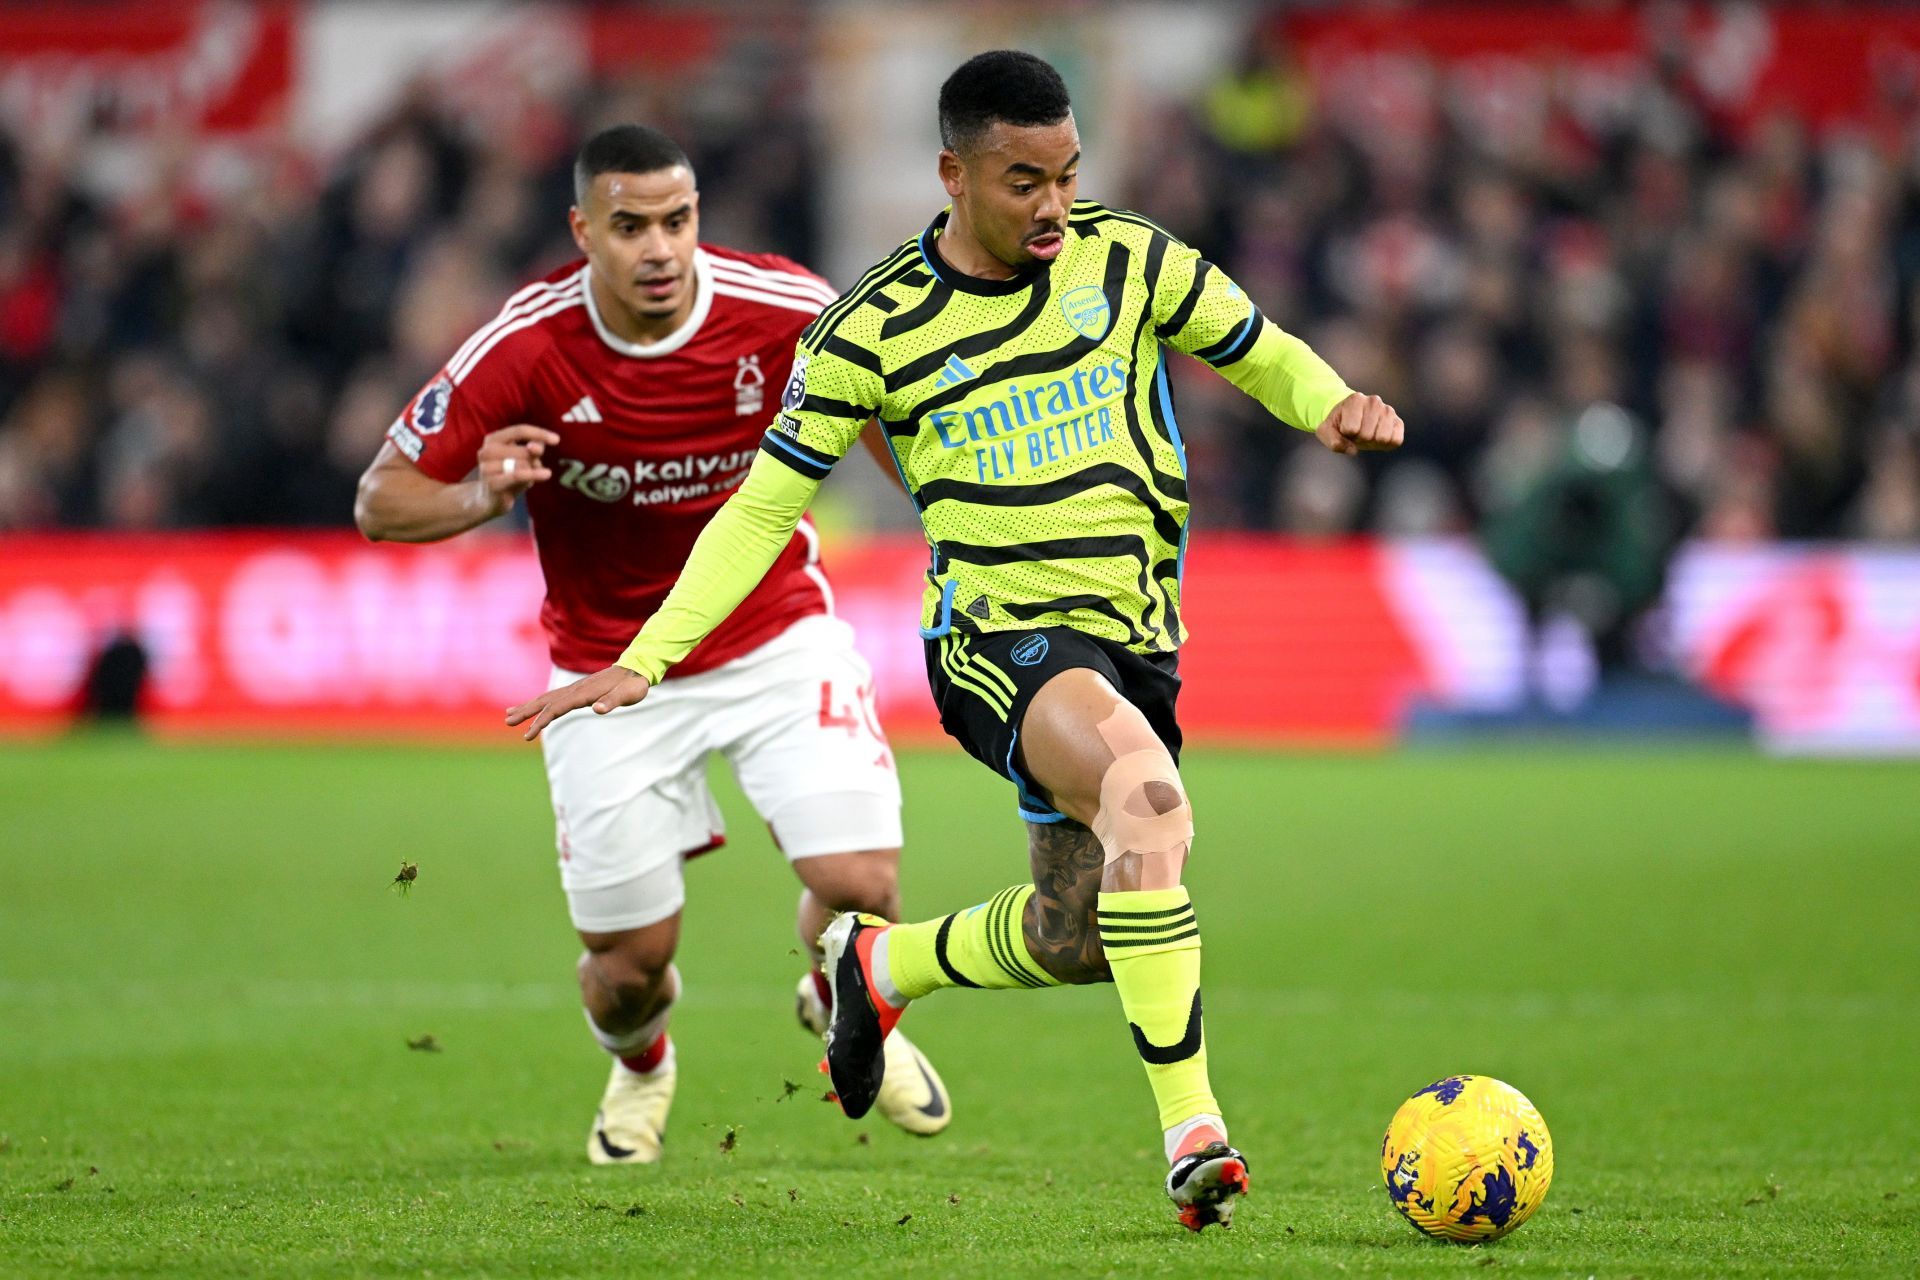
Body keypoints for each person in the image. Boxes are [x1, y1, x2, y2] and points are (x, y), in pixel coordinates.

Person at [507, 55, 1403, 1228]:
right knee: (1149, 798)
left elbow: (1258, 346)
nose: (1052, 205)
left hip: (1137, 632)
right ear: (955, 174)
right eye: (1023, 179)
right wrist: (653, 651)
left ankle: (881, 969)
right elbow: (764, 506)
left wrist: (1329, 399)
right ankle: (1197, 1137)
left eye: (1067, 176)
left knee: (1077, 933)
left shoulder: (1129, 258)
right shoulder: (873, 329)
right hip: (1001, 640)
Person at [355, 123, 951, 1165]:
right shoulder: (524, 346)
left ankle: (840, 994)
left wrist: (960, 525)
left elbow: (893, 425)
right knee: (630, 963)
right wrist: (479, 493)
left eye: (677, 221)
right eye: (630, 227)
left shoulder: (786, 309)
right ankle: (641, 1062)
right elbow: (380, 498)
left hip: (774, 635)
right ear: (585, 230)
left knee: (863, 883)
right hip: (605, 672)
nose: (660, 249)